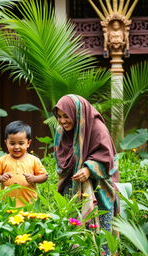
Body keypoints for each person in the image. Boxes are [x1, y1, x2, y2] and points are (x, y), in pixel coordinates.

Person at [53, 95, 119, 255]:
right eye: (59, 117)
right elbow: (60, 160)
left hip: (100, 194)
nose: (62, 121)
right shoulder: (60, 132)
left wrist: (89, 169)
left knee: (102, 242)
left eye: (66, 116)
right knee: (75, 240)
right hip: (71, 192)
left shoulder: (97, 128)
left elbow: (108, 158)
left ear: (76, 113)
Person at [0, 121, 48, 207]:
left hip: (29, 204)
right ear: (6, 143)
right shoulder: (2, 160)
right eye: (12, 143)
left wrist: (34, 178)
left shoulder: (33, 160)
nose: (16, 147)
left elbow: (44, 176)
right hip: (7, 205)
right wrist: (1, 178)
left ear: (28, 143)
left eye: (21, 143)